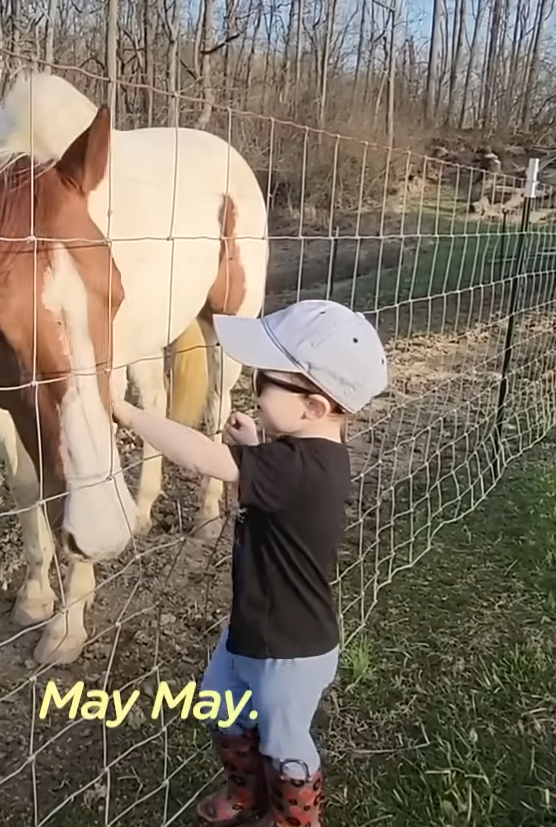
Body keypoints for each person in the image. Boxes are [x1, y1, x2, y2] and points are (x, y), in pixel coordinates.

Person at [109, 299, 390, 827]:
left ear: (314, 406)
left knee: (285, 740)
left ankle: (293, 818)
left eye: (267, 379)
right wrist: (257, 442)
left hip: (289, 650)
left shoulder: (298, 468)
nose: (254, 387)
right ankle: (246, 792)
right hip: (256, 628)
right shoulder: (308, 456)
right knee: (218, 702)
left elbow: (200, 457)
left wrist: (125, 412)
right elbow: (279, 486)